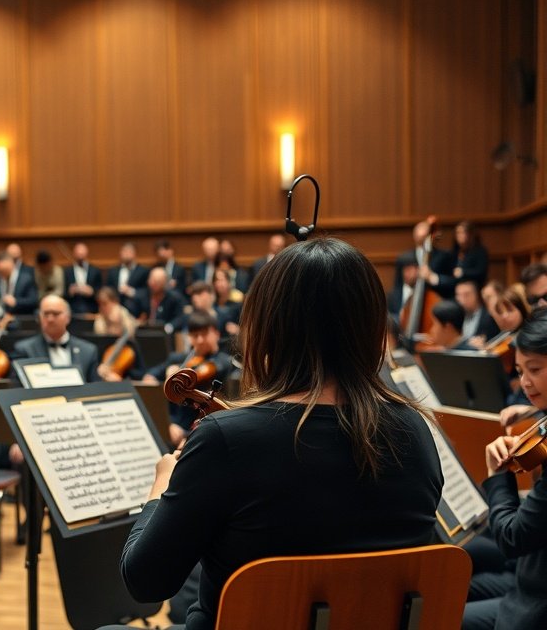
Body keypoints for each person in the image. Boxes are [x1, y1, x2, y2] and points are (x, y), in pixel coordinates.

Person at [115, 237, 442, 630]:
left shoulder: (227, 441)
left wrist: (161, 488)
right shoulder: (414, 430)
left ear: (269, 328)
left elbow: (146, 581)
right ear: (372, 326)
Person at [464, 309, 547, 629]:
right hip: (526, 581)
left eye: (535, 370)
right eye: (520, 371)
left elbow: (513, 537)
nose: (524, 382)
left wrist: (498, 476)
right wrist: (534, 411)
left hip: (535, 604)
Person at [141, 311, 233, 446]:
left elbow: (209, 370)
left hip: (200, 429)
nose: (200, 340)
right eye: (195, 335)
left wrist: (179, 375)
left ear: (216, 334)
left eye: (204, 334)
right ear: (189, 337)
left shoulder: (223, 361)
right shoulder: (178, 359)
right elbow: (150, 376)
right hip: (171, 425)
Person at [11, 294, 100, 382]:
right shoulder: (25, 350)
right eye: (46, 314)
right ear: (39, 317)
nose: (50, 319)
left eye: (56, 314)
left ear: (68, 317)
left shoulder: (88, 351)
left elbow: (95, 388)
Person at [0, 250, 38, 316]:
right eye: (0, 272)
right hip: (0, 316)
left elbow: (33, 301)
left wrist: (16, 302)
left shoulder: (26, 279)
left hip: (21, 316)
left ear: (12, 264)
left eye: (5, 271)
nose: (2, 275)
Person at [106, 242, 149, 312]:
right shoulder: (113, 271)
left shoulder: (143, 271)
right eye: (124, 251)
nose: (126, 254)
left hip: (135, 308)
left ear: (135, 253)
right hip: (115, 307)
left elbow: (147, 291)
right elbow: (108, 289)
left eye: (129, 251)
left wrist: (131, 292)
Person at [64, 241, 103, 314]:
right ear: (74, 254)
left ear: (87, 253)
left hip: (91, 307)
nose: (80, 255)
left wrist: (92, 291)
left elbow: (101, 291)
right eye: (78, 253)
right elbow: (63, 292)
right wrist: (70, 292)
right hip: (72, 308)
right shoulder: (67, 271)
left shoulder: (95, 271)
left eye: (82, 253)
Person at [451, 220, 489, 288]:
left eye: (463, 232)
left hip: (473, 287)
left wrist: (462, 272)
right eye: (457, 233)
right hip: (455, 287)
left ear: (470, 235)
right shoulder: (454, 251)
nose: (459, 236)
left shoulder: (480, 251)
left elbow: (481, 272)